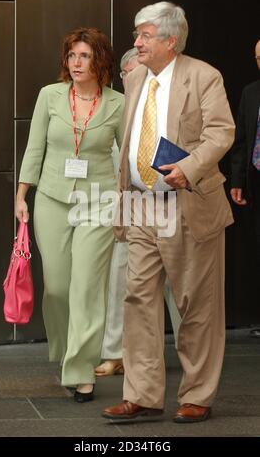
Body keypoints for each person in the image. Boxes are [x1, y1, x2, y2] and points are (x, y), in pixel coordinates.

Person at [102, 1, 235, 423]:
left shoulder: (204, 76)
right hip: (142, 206)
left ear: (169, 40)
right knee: (137, 298)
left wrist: (189, 166)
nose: (136, 42)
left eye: (143, 35)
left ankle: (197, 393)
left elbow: (221, 132)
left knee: (196, 303)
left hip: (187, 204)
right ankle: (141, 394)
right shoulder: (137, 76)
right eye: (137, 34)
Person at [16, 27, 124, 402]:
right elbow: (34, 148)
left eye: (85, 56)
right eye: (71, 56)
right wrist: (22, 195)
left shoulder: (117, 104)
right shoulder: (50, 96)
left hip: (99, 201)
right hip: (52, 199)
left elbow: (126, 159)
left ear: (100, 61)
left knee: (86, 289)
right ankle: (66, 351)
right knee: (59, 288)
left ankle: (80, 370)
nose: (76, 63)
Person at [95, 48, 181, 377]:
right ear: (123, 76)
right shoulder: (114, 107)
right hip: (127, 205)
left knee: (177, 282)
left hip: (169, 201)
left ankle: (190, 353)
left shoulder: (170, 101)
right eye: (134, 72)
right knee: (121, 279)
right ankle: (116, 352)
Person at [230, 39, 260, 338]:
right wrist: (237, 180)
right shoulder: (251, 93)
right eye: (258, 57)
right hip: (256, 180)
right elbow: (241, 141)